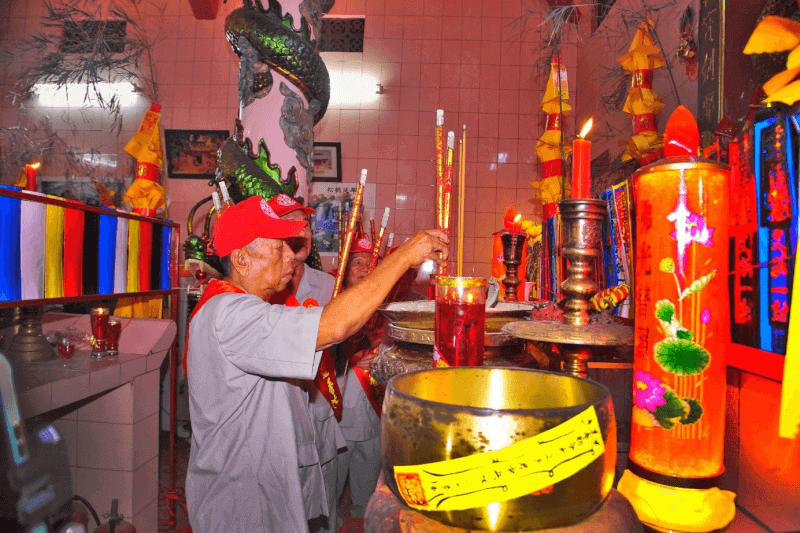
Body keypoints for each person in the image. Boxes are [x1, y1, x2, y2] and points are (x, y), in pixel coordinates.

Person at [184, 195, 449, 533]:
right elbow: (334, 325)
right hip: (240, 498)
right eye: (278, 248)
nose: (291, 257)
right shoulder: (230, 313)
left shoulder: (249, 305)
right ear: (241, 259)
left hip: (260, 484)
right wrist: (404, 256)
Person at [267, 193, 344, 533]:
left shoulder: (328, 285)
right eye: (291, 224)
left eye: (306, 224)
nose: (302, 231)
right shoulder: (263, 289)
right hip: (279, 409)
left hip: (318, 401)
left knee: (324, 494)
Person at [336, 233, 387, 527]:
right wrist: (352, 358)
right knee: (327, 497)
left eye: (370, 262)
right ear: (345, 269)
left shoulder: (385, 306)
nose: (365, 268)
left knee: (365, 501)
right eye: (357, 262)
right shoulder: (334, 304)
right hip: (336, 418)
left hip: (372, 417)